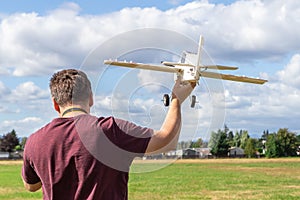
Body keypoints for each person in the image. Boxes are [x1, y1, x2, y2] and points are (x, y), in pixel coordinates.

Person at [22, 69, 195, 199]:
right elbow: (166, 141)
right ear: (90, 97)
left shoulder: (34, 141)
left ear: (55, 103)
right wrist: (176, 100)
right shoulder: (111, 129)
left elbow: (31, 186)